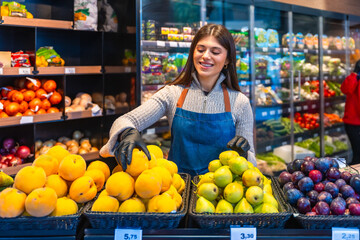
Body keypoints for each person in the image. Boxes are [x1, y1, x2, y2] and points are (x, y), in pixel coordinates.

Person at [100, 24, 255, 176]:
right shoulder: (172, 94)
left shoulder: (239, 102)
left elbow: (252, 163)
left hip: (222, 194)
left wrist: (245, 155)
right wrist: (127, 132)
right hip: (177, 190)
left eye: (215, 52)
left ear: (227, 60)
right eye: (200, 49)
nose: (206, 56)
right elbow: (125, 120)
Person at [341, 59, 360, 165]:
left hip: (354, 121)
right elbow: (345, 89)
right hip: (353, 123)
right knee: (357, 155)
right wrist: (355, 74)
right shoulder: (354, 78)